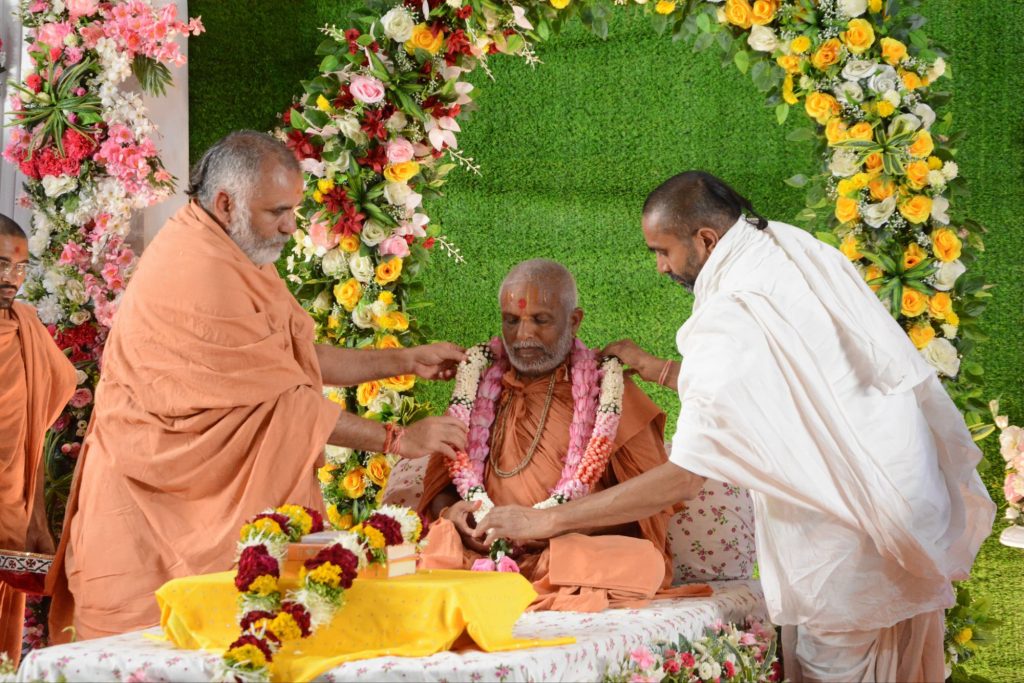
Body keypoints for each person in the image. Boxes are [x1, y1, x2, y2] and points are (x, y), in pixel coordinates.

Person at [476, 172, 994, 681]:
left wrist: (544, 522)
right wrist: (660, 369)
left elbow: (684, 478)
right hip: (901, 493)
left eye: (663, 252)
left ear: (706, 239)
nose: (660, 267)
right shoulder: (790, 249)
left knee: (830, 668)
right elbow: (775, 389)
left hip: (845, 541)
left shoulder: (729, 311)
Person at [48, 131, 469, 640]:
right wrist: (398, 440)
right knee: (153, 655)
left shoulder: (233, 251)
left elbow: (291, 360)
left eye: (293, 210)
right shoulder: (200, 270)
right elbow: (284, 403)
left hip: (200, 501)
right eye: (277, 212)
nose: (291, 226)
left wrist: (404, 360)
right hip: (151, 509)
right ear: (226, 203)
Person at [418, 259, 710, 611]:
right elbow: (444, 483)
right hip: (483, 551)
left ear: (574, 321)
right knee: (433, 544)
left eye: (540, 320)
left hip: (570, 555)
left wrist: (549, 526)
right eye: (512, 320)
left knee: (639, 561)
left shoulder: (610, 391)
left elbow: (649, 506)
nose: (523, 335)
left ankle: (519, 582)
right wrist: (454, 515)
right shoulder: (477, 388)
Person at [0, 216, 76, 665]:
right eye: (1, 265)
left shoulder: (25, 328)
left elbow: (34, 431)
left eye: (21, 268)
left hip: (11, 503)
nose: (12, 279)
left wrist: (38, 520)